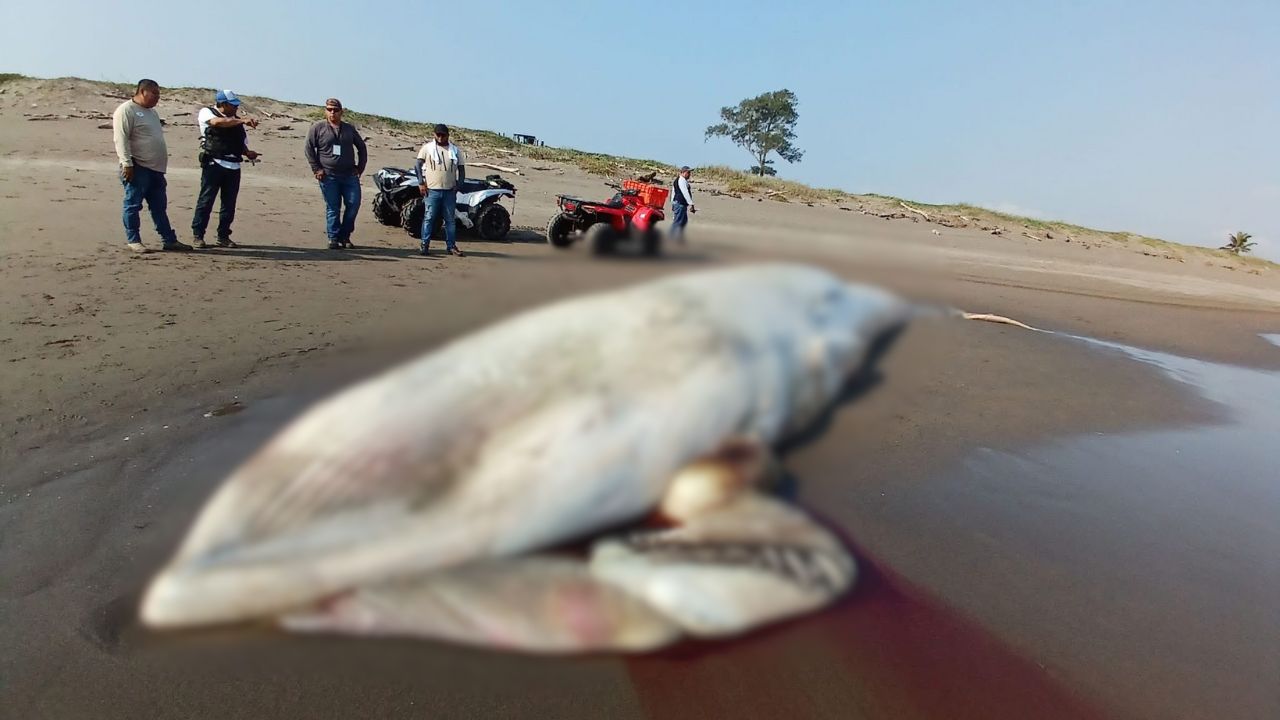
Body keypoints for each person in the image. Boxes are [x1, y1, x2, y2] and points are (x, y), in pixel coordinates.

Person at [112, 79, 192, 253]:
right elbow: (121, 139)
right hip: (137, 166)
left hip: (156, 169)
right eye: (154, 93)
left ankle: (169, 240)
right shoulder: (126, 110)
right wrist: (127, 163)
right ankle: (134, 240)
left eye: (159, 94)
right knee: (133, 204)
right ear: (142, 92)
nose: (157, 97)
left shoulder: (152, 113)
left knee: (159, 207)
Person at [191, 90, 260, 248]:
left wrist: (248, 153)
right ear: (222, 104)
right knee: (206, 200)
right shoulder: (207, 112)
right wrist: (242, 120)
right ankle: (198, 235)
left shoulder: (236, 121)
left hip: (234, 166)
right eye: (233, 105)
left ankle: (223, 236)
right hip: (214, 164)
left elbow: (240, 142)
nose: (236, 108)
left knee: (229, 204)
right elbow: (217, 123)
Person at [304, 98, 367, 249]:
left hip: (349, 175)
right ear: (325, 110)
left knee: (353, 204)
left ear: (341, 111)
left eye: (336, 110)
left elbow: (362, 147)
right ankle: (333, 237)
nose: (332, 112)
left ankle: (345, 236)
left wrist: (360, 167)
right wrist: (316, 169)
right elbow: (308, 149)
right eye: (329, 109)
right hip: (328, 175)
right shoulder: (317, 128)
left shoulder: (348, 129)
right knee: (333, 207)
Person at [414, 123, 466, 257]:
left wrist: (459, 185)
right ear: (434, 135)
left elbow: (461, 170)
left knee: (450, 220)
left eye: (443, 135)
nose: (441, 138)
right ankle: (424, 245)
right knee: (429, 218)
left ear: (448, 135)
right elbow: (418, 165)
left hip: (449, 191)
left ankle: (451, 246)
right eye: (438, 135)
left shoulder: (455, 150)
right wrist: (420, 183)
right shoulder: (427, 149)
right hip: (432, 190)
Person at [671, 165, 696, 244]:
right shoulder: (681, 180)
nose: (689, 174)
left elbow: (673, 193)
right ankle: (671, 238)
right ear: (683, 172)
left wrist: (673, 203)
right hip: (680, 204)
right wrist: (691, 204)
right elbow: (685, 193)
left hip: (679, 203)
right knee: (678, 222)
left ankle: (678, 238)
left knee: (683, 221)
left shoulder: (679, 180)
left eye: (690, 172)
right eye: (688, 172)